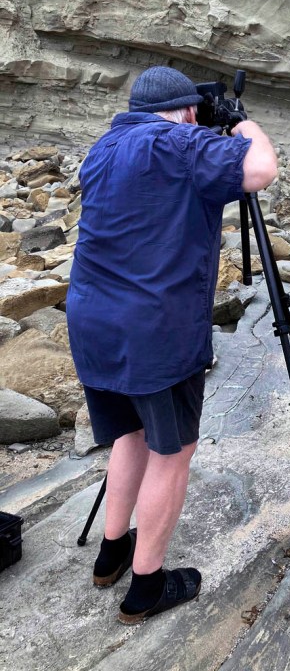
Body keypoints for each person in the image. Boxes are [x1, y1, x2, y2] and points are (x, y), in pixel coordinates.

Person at [66, 66, 278, 624]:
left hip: (92, 321)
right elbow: (261, 169)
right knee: (172, 451)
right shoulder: (183, 140)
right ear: (187, 110)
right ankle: (146, 585)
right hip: (155, 331)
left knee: (128, 432)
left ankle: (112, 551)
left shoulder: (103, 147)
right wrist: (240, 124)